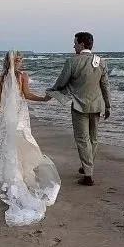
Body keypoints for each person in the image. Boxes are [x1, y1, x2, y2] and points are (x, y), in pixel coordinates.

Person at [0, 50, 60, 226]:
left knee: (1, 145)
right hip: (19, 114)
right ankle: (16, 176)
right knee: (20, 142)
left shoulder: (0, 77)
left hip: (4, 115)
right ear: (15, 61)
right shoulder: (22, 76)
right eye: (20, 59)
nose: (22, 61)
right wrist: (44, 99)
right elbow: (27, 95)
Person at [49, 32, 111, 186]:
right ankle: (87, 165)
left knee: (82, 139)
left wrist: (52, 91)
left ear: (82, 44)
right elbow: (105, 86)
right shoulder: (101, 62)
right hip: (97, 105)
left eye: (75, 43)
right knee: (93, 138)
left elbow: (61, 82)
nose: (73, 45)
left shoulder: (72, 62)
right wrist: (108, 105)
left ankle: (88, 174)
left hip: (79, 106)